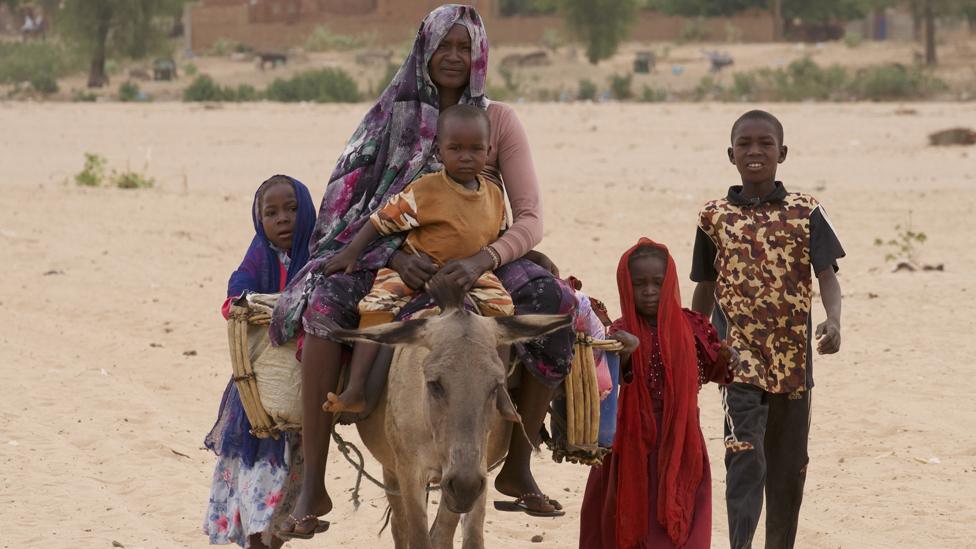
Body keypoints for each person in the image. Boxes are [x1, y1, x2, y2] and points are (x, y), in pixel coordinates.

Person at [269, 4, 576, 539]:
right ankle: (313, 481)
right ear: (424, 49)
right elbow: (357, 207)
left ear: (480, 53)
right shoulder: (388, 116)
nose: (454, 56)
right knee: (323, 307)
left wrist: (482, 259)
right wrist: (392, 257)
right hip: (395, 256)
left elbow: (529, 217)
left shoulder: (498, 120)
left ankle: (519, 462)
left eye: (465, 46)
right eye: (444, 46)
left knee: (555, 307)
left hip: (482, 256)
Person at [690, 110, 845, 549]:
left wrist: (833, 320)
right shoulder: (713, 216)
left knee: (788, 468)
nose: (755, 152)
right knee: (744, 458)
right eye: (745, 144)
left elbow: (827, 276)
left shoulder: (806, 211)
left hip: (794, 367)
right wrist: (695, 340)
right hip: (736, 363)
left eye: (765, 144)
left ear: (783, 153)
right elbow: (705, 285)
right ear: (730, 154)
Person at [321, 104, 513, 414]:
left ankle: (499, 387)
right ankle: (356, 387)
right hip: (416, 269)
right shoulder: (426, 189)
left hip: (471, 274)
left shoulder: (493, 195)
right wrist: (351, 252)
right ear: (439, 149)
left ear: (489, 150)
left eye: (475, 149)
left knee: (504, 310)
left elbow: (499, 237)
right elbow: (381, 220)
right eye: (456, 148)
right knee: (376, 305)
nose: (466, 156)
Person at [579, 239, 736, 549]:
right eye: (639, 284)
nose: (649, 290)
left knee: (682, 519)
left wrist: (727, 358)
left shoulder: (692, 327)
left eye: (657, 283)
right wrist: (627, 354)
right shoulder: (620, 333)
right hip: (630, 443)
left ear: (670, 282)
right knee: (626, 518)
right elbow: (605, 382)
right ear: (627, 285)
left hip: (681, 440)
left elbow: (713, 371)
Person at [203, 175, 317, 548]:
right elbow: (234, 297)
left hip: (299, 397)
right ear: (260, 222)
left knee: (286, 496)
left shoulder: (318, 258)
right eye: (271, 213)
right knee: (258, 488)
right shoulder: (259, 257)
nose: (283, 218)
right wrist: (254, 303)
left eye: (292, 209)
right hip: (258, 402)